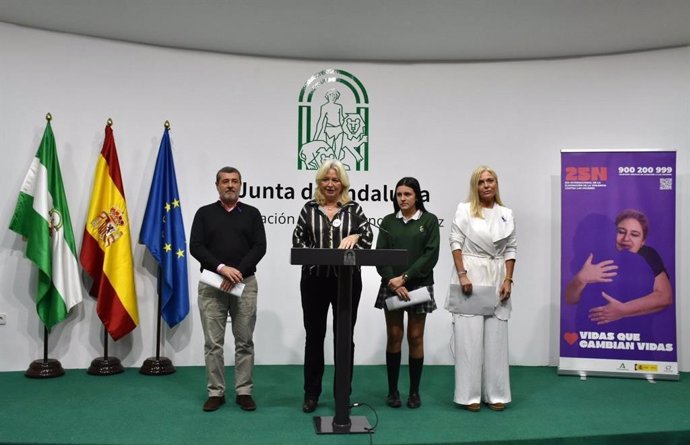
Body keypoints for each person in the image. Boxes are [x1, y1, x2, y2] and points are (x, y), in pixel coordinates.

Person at [292, 159, 373, 413]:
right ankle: (311, 394)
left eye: (335, 180)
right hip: (314, 281)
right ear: (319, 182)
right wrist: (320, 257)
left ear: (343, 183)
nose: (330, 184)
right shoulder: (308, 209)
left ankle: (342, 394)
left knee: (344, 338)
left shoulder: (354, 210)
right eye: (325, 179)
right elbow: (298, 241)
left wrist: (356, 236)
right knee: (314, 337)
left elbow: (368, 239)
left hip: (346, 282)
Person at [190, 166, 267, 412]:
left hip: (245, 283)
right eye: (225, 181)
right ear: (217, 185)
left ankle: (244, 391)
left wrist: (238, 272)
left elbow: (260, 247)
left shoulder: (252, 214)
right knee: (213, 343)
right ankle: (216, 392)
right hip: (213, 284)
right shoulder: (204, 214)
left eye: (235, 181)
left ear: (241, 185)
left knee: (244, 341)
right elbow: (196, 246)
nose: (230, 185)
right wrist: (222, 268)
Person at [448, 166, 516, 412]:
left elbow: (511, 248)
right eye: (481, 182)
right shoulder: (464, 210)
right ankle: (469, 395)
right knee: (469, 338)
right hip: (472, 275)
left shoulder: (506, 214)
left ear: (496, 184)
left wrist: (508, 279)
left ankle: (496, 393)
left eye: (491, 180)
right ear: (475, 186)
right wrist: (462, 274)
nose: (487, 185)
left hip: (498, 276)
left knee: (497, 338)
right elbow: (455, 242)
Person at [374, 177, 439, 409]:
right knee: (394, 336)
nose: (402, 198)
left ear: (417, 196)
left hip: (419, 286)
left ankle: (414, 392)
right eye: (399, 194)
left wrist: (406, 277)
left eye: (407, 194)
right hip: (392, 285)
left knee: (415, 337)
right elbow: (380, 254)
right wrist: (393, 281)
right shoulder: (388, 222)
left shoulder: (429, 221)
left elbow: (430, 256)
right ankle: (392, 392)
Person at [565, 208, 672, 324]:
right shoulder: (596, 255)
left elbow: (665, 297)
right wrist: (580, 279)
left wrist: (623, 310)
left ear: (643, 241)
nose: (626, 239)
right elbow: (569, 299)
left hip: (638, 336)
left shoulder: (648, 256)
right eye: (621, 232)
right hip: (593, 335)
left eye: (634, 235)